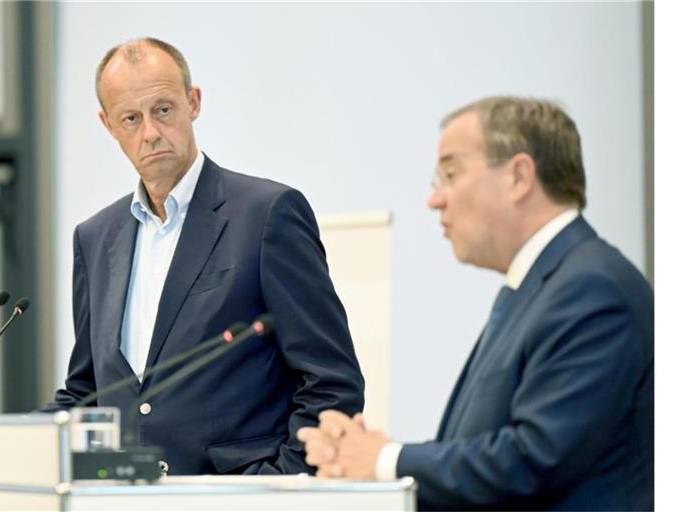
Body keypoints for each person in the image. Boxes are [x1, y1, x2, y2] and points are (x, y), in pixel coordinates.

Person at [298, 96, 653, 510]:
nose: (435, 199)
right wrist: (374, 455)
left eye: (450, 174)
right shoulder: (538, 289)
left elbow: (533, 460)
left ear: (519, 176)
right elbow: (479, 447)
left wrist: (385, 459)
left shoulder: (593, 290)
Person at [44, 37, 364, 476]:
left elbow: (332, 383)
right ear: (108, 126)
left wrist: (277, 488)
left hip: (242, 497)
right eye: (131, 119)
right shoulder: (96, 238)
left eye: (163, 109)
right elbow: (88, 391)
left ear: (193, 102)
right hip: (127, 499)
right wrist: (9, 446)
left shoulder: (267, 214)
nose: (151, 133)